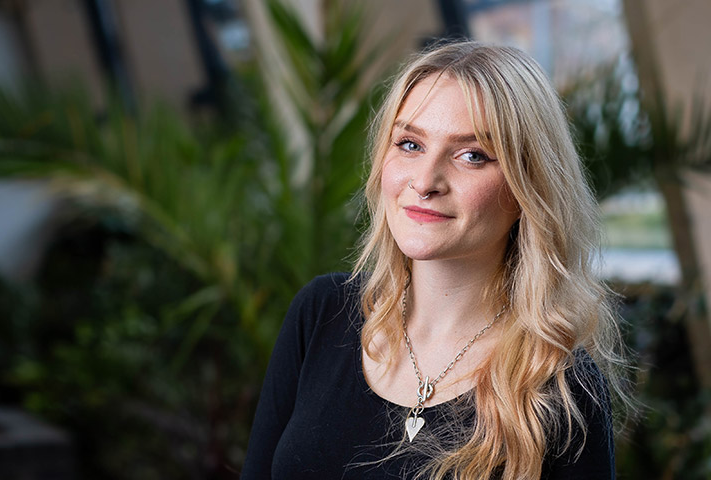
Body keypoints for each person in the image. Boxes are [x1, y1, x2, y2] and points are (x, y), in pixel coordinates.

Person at [241, 41, 630, 479]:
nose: (425, 181)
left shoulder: (562, 386)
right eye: (409, 144)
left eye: (472, 155)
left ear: (528, 189)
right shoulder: (320, 314)